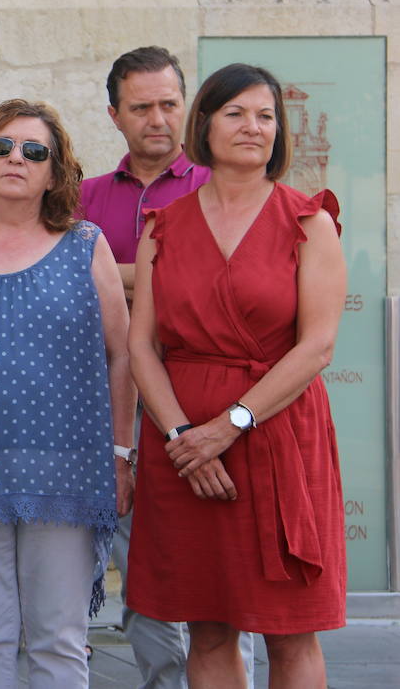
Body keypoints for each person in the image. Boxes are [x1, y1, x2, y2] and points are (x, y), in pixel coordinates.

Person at [125, 64, 346, 687]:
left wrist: (228, 426)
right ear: (205, 125)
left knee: (290, 629)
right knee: (209, 625)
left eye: (266, 116)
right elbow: (142, 348)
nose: (254, 127)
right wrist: (182, 440)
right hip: (185, 449)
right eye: (236, 113)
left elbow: (318, 346)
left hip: (279, 442)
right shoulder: (161, 227)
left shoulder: (310, 221)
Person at [0, 99, 135, 688]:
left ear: (55, 171)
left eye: (34, 151)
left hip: (67, 475)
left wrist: (120, 454)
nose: (16, 158)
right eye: (1, 147)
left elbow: (122, 355)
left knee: (59, 643)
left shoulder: (87, 246)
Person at [79, 45, 254, 687]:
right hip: (113, 404)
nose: (158, 118)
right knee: (143, 565)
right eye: (142, 107)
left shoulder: (223, 188)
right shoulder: (84, 197)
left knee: (226, 573)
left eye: (170, 104)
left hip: (213, 403)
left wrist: (117, 276)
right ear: (115, 115)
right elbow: (64, 282)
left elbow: (219, 289)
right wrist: (152, 275)